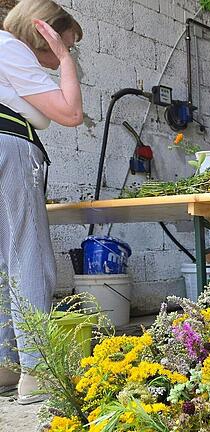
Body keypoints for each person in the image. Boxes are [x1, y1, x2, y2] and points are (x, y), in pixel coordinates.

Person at [0, 0, 84, 404]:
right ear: (43, 33)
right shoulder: (10, 47)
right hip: (10, 149)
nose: (61, 56)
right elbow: (70, 113)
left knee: (3, 260)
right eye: (63, 43)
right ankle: (36, 371)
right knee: (28, 255)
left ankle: (7, 363)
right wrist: (67, 61)